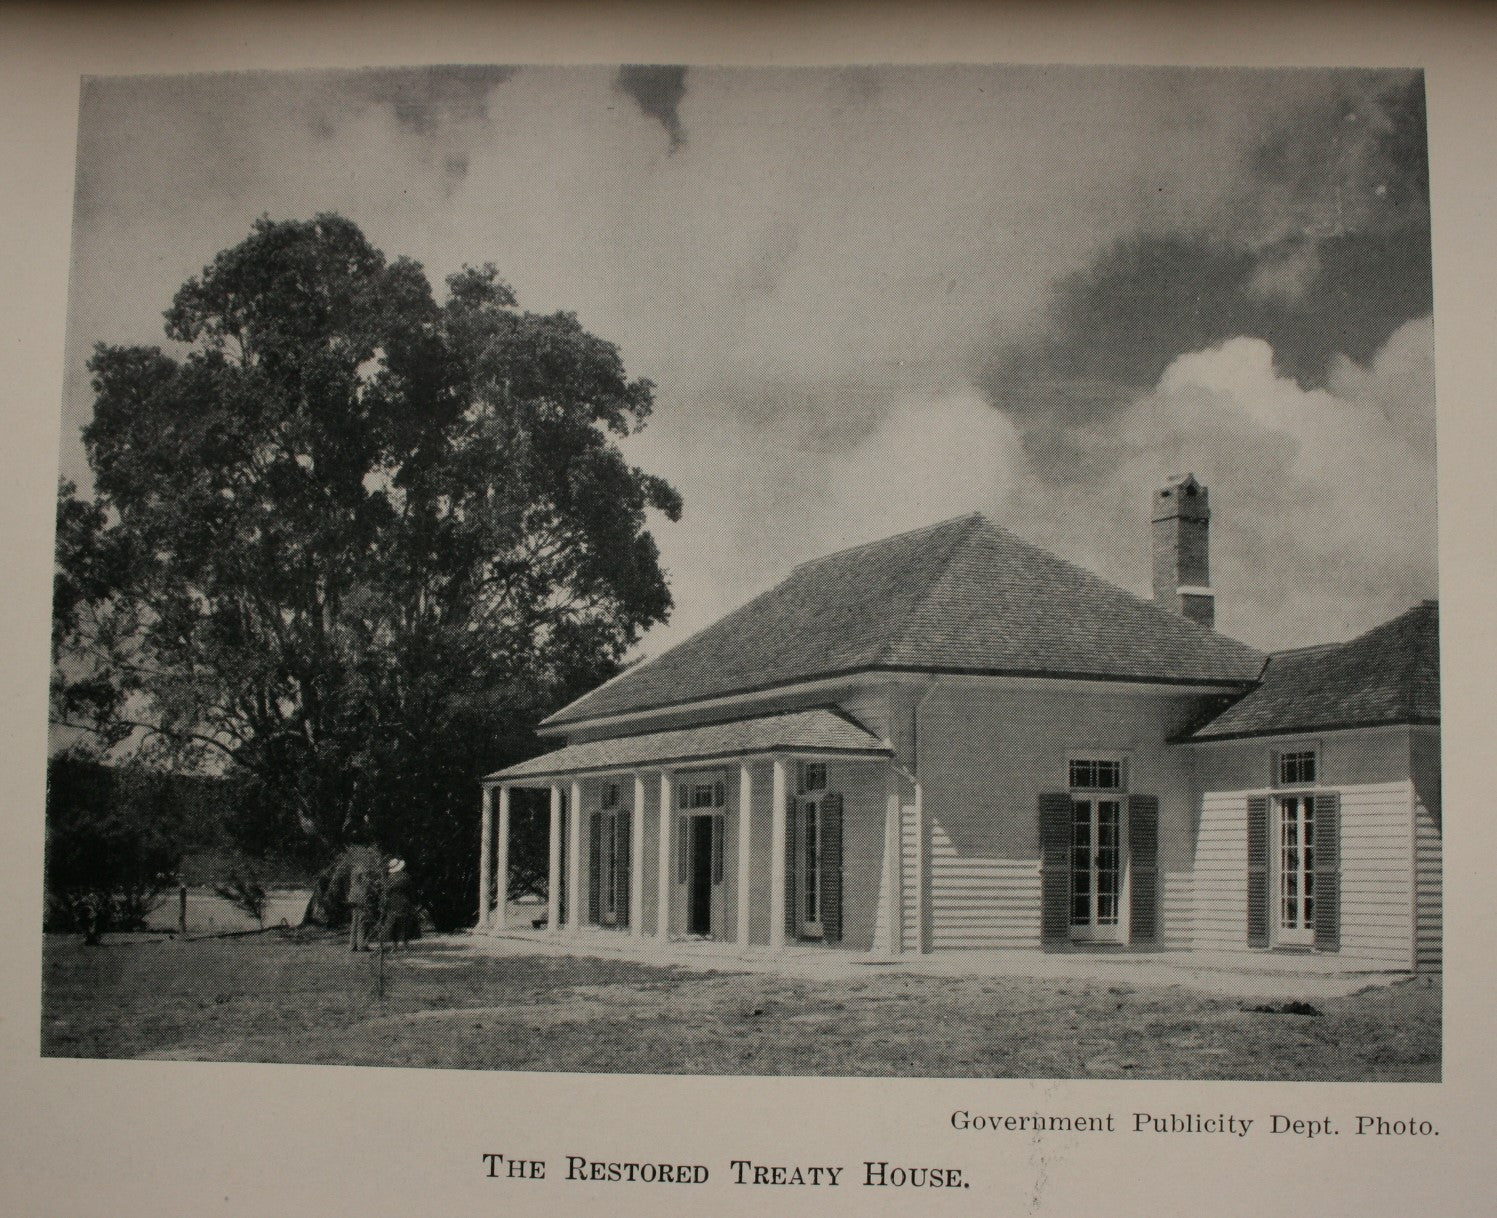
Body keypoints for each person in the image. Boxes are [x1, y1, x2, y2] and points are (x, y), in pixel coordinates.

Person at [345, 845, 382, 952]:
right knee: (362, 921)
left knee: (355, 921)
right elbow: (366, 884)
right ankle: (362, 945)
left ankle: (352, 945)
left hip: (353, 897)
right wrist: (375, 885)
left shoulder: (355, 867)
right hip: (361, 897)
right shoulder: (363, 868)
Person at [380, 856, 417, 950]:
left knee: (393, 923)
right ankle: (405, 945)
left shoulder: (389, 879)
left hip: (393, 901)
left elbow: (386, 891)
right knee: (404, 922)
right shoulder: (406, 877)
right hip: (404, 900)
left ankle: (394, 946)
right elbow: (411, 890)